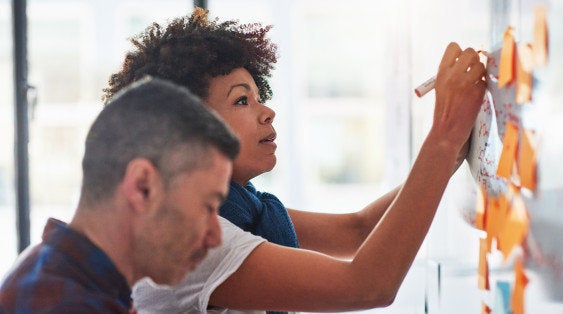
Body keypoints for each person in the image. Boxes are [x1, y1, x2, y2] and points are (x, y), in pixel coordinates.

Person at [104, 8, 486, 314]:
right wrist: (443, 134)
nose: (267, 111)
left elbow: (358, 231)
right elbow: (366, 286)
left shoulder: (240, 210)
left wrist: (449, 154)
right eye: (242, 101)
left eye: (258, 96)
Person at [0, 77, 240, 313]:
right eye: (207, 207)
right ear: (142, 187)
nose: (215, 237)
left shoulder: (56, 273)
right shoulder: (69, 304)